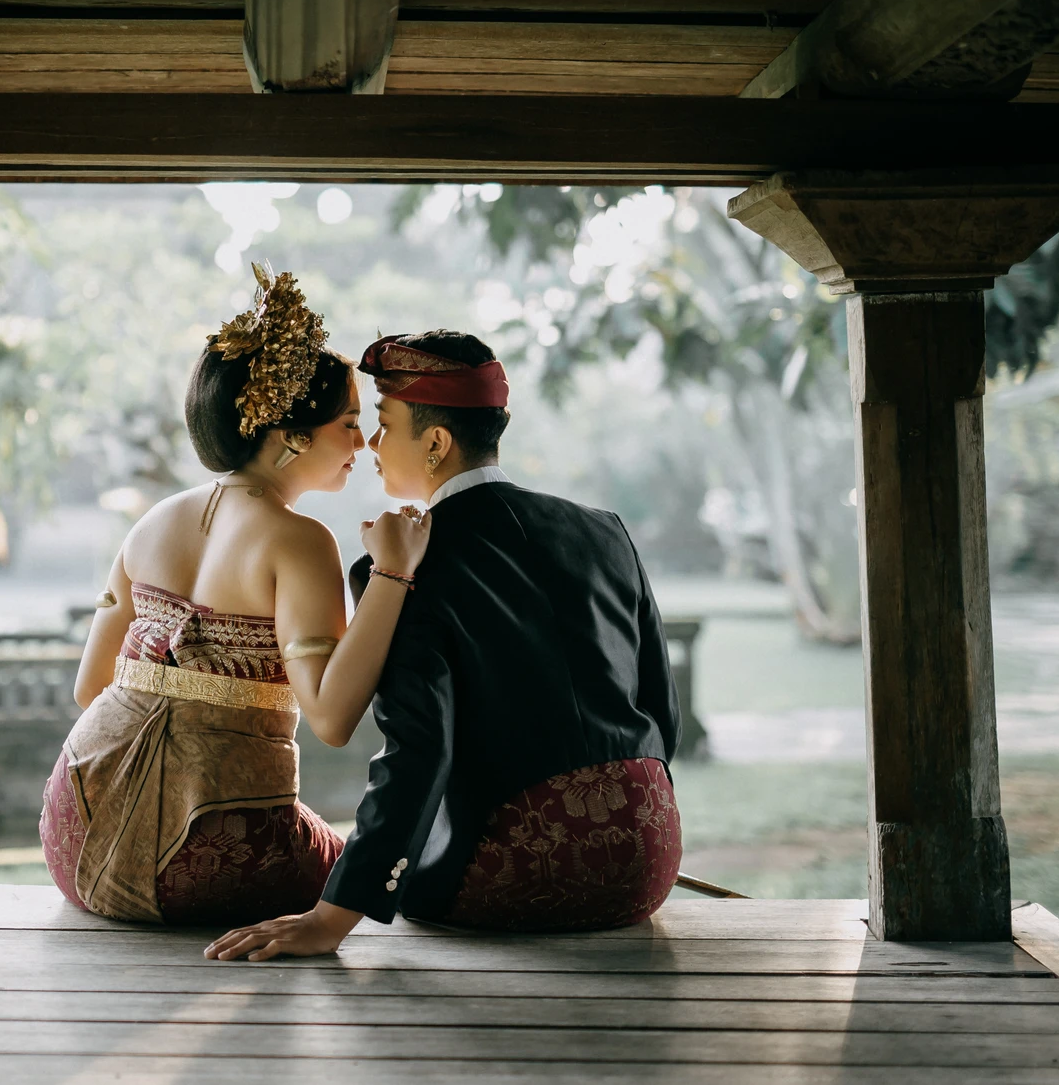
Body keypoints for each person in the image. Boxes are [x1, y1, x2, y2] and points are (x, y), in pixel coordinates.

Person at [206, 330, 683, 961]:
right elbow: (661, 710)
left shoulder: (402, 567)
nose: (371, 445)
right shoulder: (605, 530)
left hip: (519, 878)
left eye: (384, 425)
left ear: (436, 442)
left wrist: (331, 918)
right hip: (650, 860)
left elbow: (419, 752)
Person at [42, 267, 430, 925]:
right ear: (291, 435)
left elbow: (91, 689)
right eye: (348, 423)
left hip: (72, 836)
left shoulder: (151, 522)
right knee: (395, 874)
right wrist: (393, 575)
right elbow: (332, 720)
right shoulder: (300, 541)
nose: (360, 444)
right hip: (209, 862)